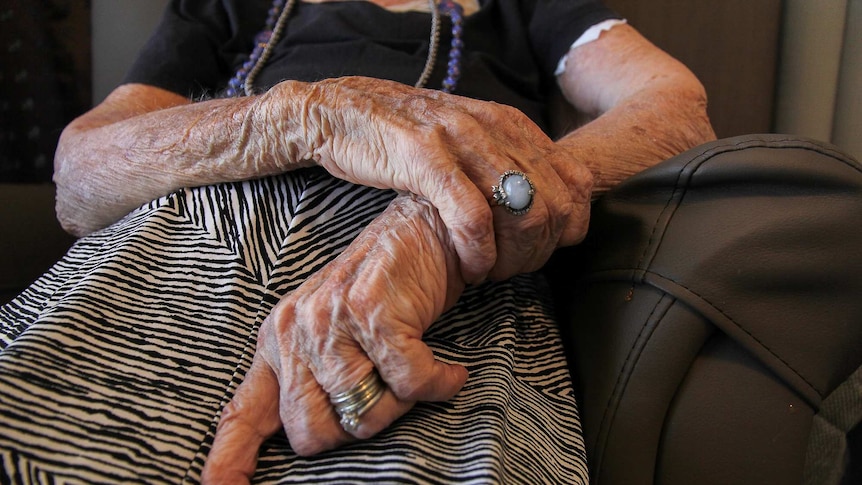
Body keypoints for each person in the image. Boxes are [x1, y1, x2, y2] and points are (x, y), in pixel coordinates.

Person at [0, 0, 714, 483]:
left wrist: (442, 226)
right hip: (167, 259)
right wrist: (312, 116)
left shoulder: (524, 6)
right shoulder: (229, 6)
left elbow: (675, 109)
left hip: (441, 302)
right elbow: (81, 172)